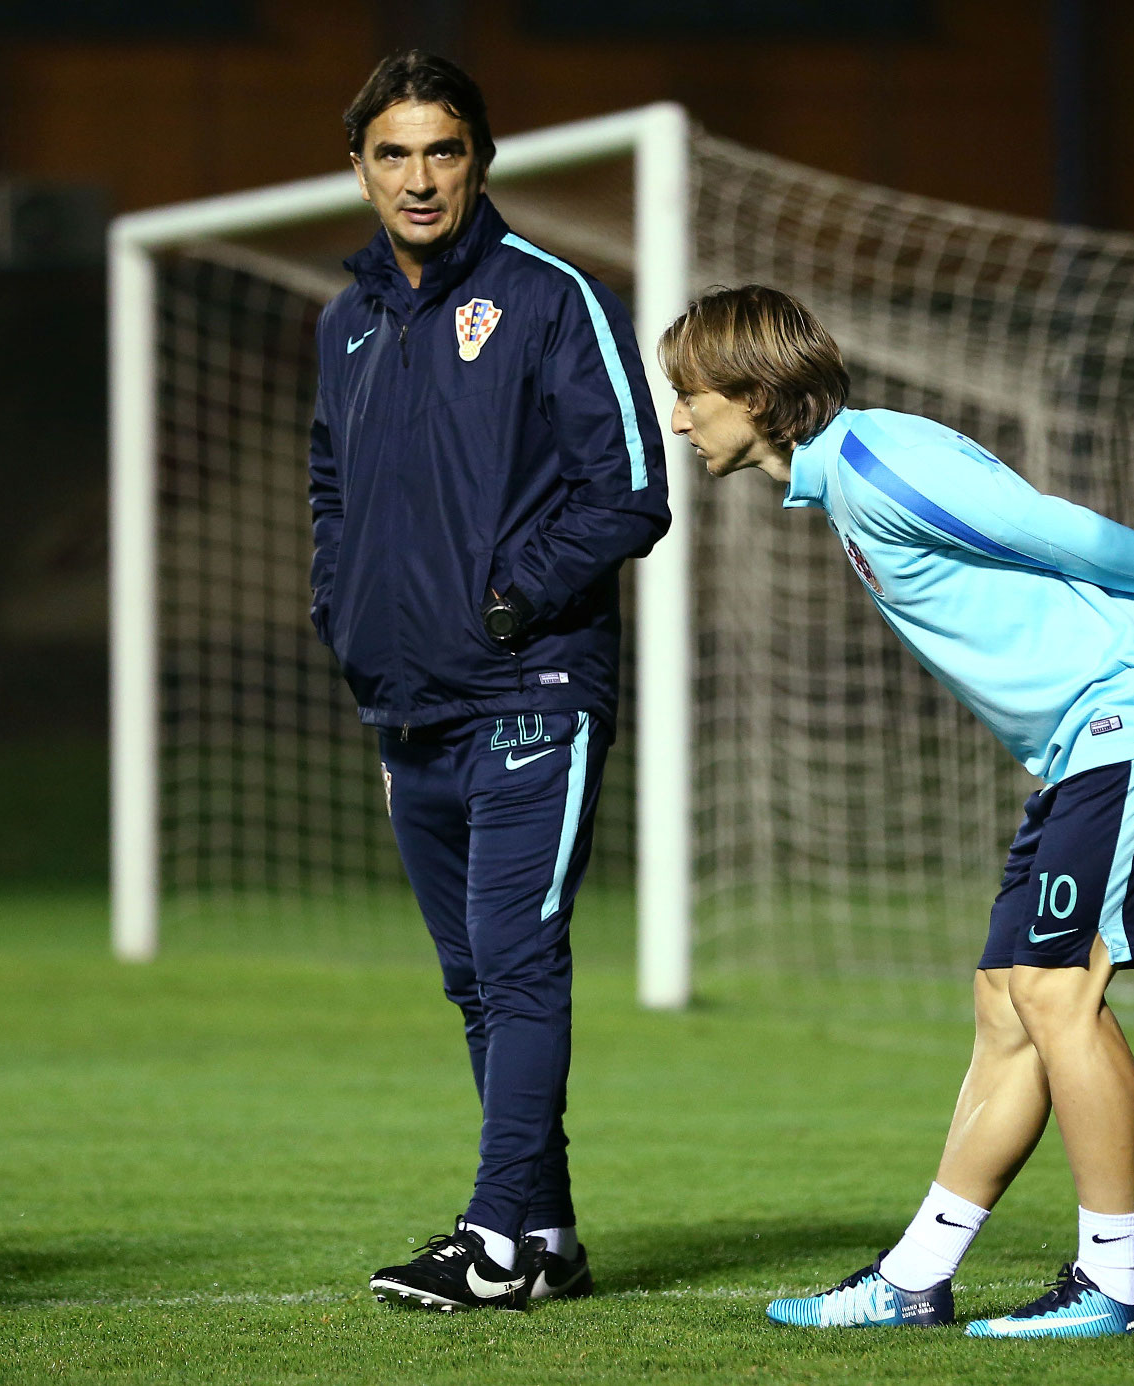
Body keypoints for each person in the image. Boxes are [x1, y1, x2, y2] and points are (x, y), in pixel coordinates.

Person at [662, 285, 1134, 1340]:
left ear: (757, 395)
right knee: (1006, 1001)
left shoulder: (878, 463)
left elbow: (1056, 528)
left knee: (1053, 992)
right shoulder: (847, 479)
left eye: (689, 393)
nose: (678, 417)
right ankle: (915, 1276)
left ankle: (1115, 1282)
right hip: (1086, 746)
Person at [307, 51, 670, 1312]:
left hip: (536, 689)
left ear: (481, 161)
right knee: (473, 980)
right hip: (407, 705)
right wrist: (342, 613)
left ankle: (495, 1241)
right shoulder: (345, 321)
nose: (419, 177)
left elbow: (631, 494)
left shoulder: (554, 300)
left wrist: (508, 598)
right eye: (393, 152)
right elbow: (333, 488)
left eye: (443, 150)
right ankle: (547, 1232)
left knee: (517, 963)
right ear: (358, 166)